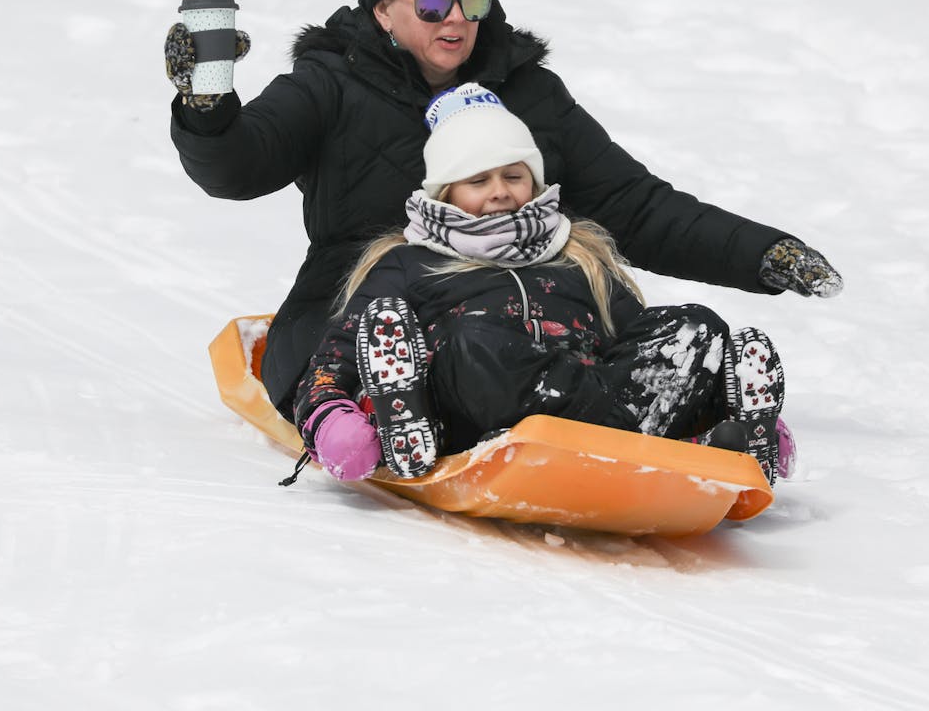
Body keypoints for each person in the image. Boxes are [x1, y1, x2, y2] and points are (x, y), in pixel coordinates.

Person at [166, 0, 841, 426]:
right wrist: (206, 108)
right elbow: (235, 168)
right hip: (368, 314)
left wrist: (763, 253)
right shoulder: (330, 86)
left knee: (659, 332)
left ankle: (648, 414)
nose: (456, 18)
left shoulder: (527, 93)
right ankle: (395, 409)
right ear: (382, 11)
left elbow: (633, 206)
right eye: (432, 3)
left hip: (526, 305)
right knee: (468, 348)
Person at [294, 84, 794, 485]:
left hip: (592, 405)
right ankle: (405, 427)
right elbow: (331, 364)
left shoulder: (576, 254)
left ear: (533, 182)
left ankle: (716, 438)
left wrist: (713, 385)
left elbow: (634, 345)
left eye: (513, 175)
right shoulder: (406, 264)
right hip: (479, 413)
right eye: (478, 180)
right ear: (446, 193)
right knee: (479, 339)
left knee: (694, 328)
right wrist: (337, 426)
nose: (500, 192)